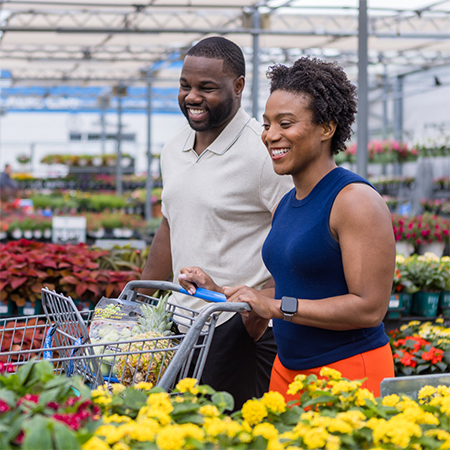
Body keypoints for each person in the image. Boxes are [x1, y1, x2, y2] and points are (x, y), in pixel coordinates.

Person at [179, 57, 396, 400]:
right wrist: (222, 291)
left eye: (286, 123)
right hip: (288, 371)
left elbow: (370, 308)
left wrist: (278, 309)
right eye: (267, 124)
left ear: (327, 128)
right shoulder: (287, 203)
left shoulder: (354, 200)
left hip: (347, 372)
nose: (270, 136)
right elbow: (291, 287)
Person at [140, 36, 293, 409]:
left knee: (235, 430)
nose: (192, 97)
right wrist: (138, 307)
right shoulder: (173, 147)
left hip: (240, 326)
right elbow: (169, 225)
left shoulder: (263, 151)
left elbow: (294, 234)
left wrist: (258, 316)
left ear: (238, 87)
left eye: (207, 88)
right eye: (185, 86)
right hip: (183, 323)